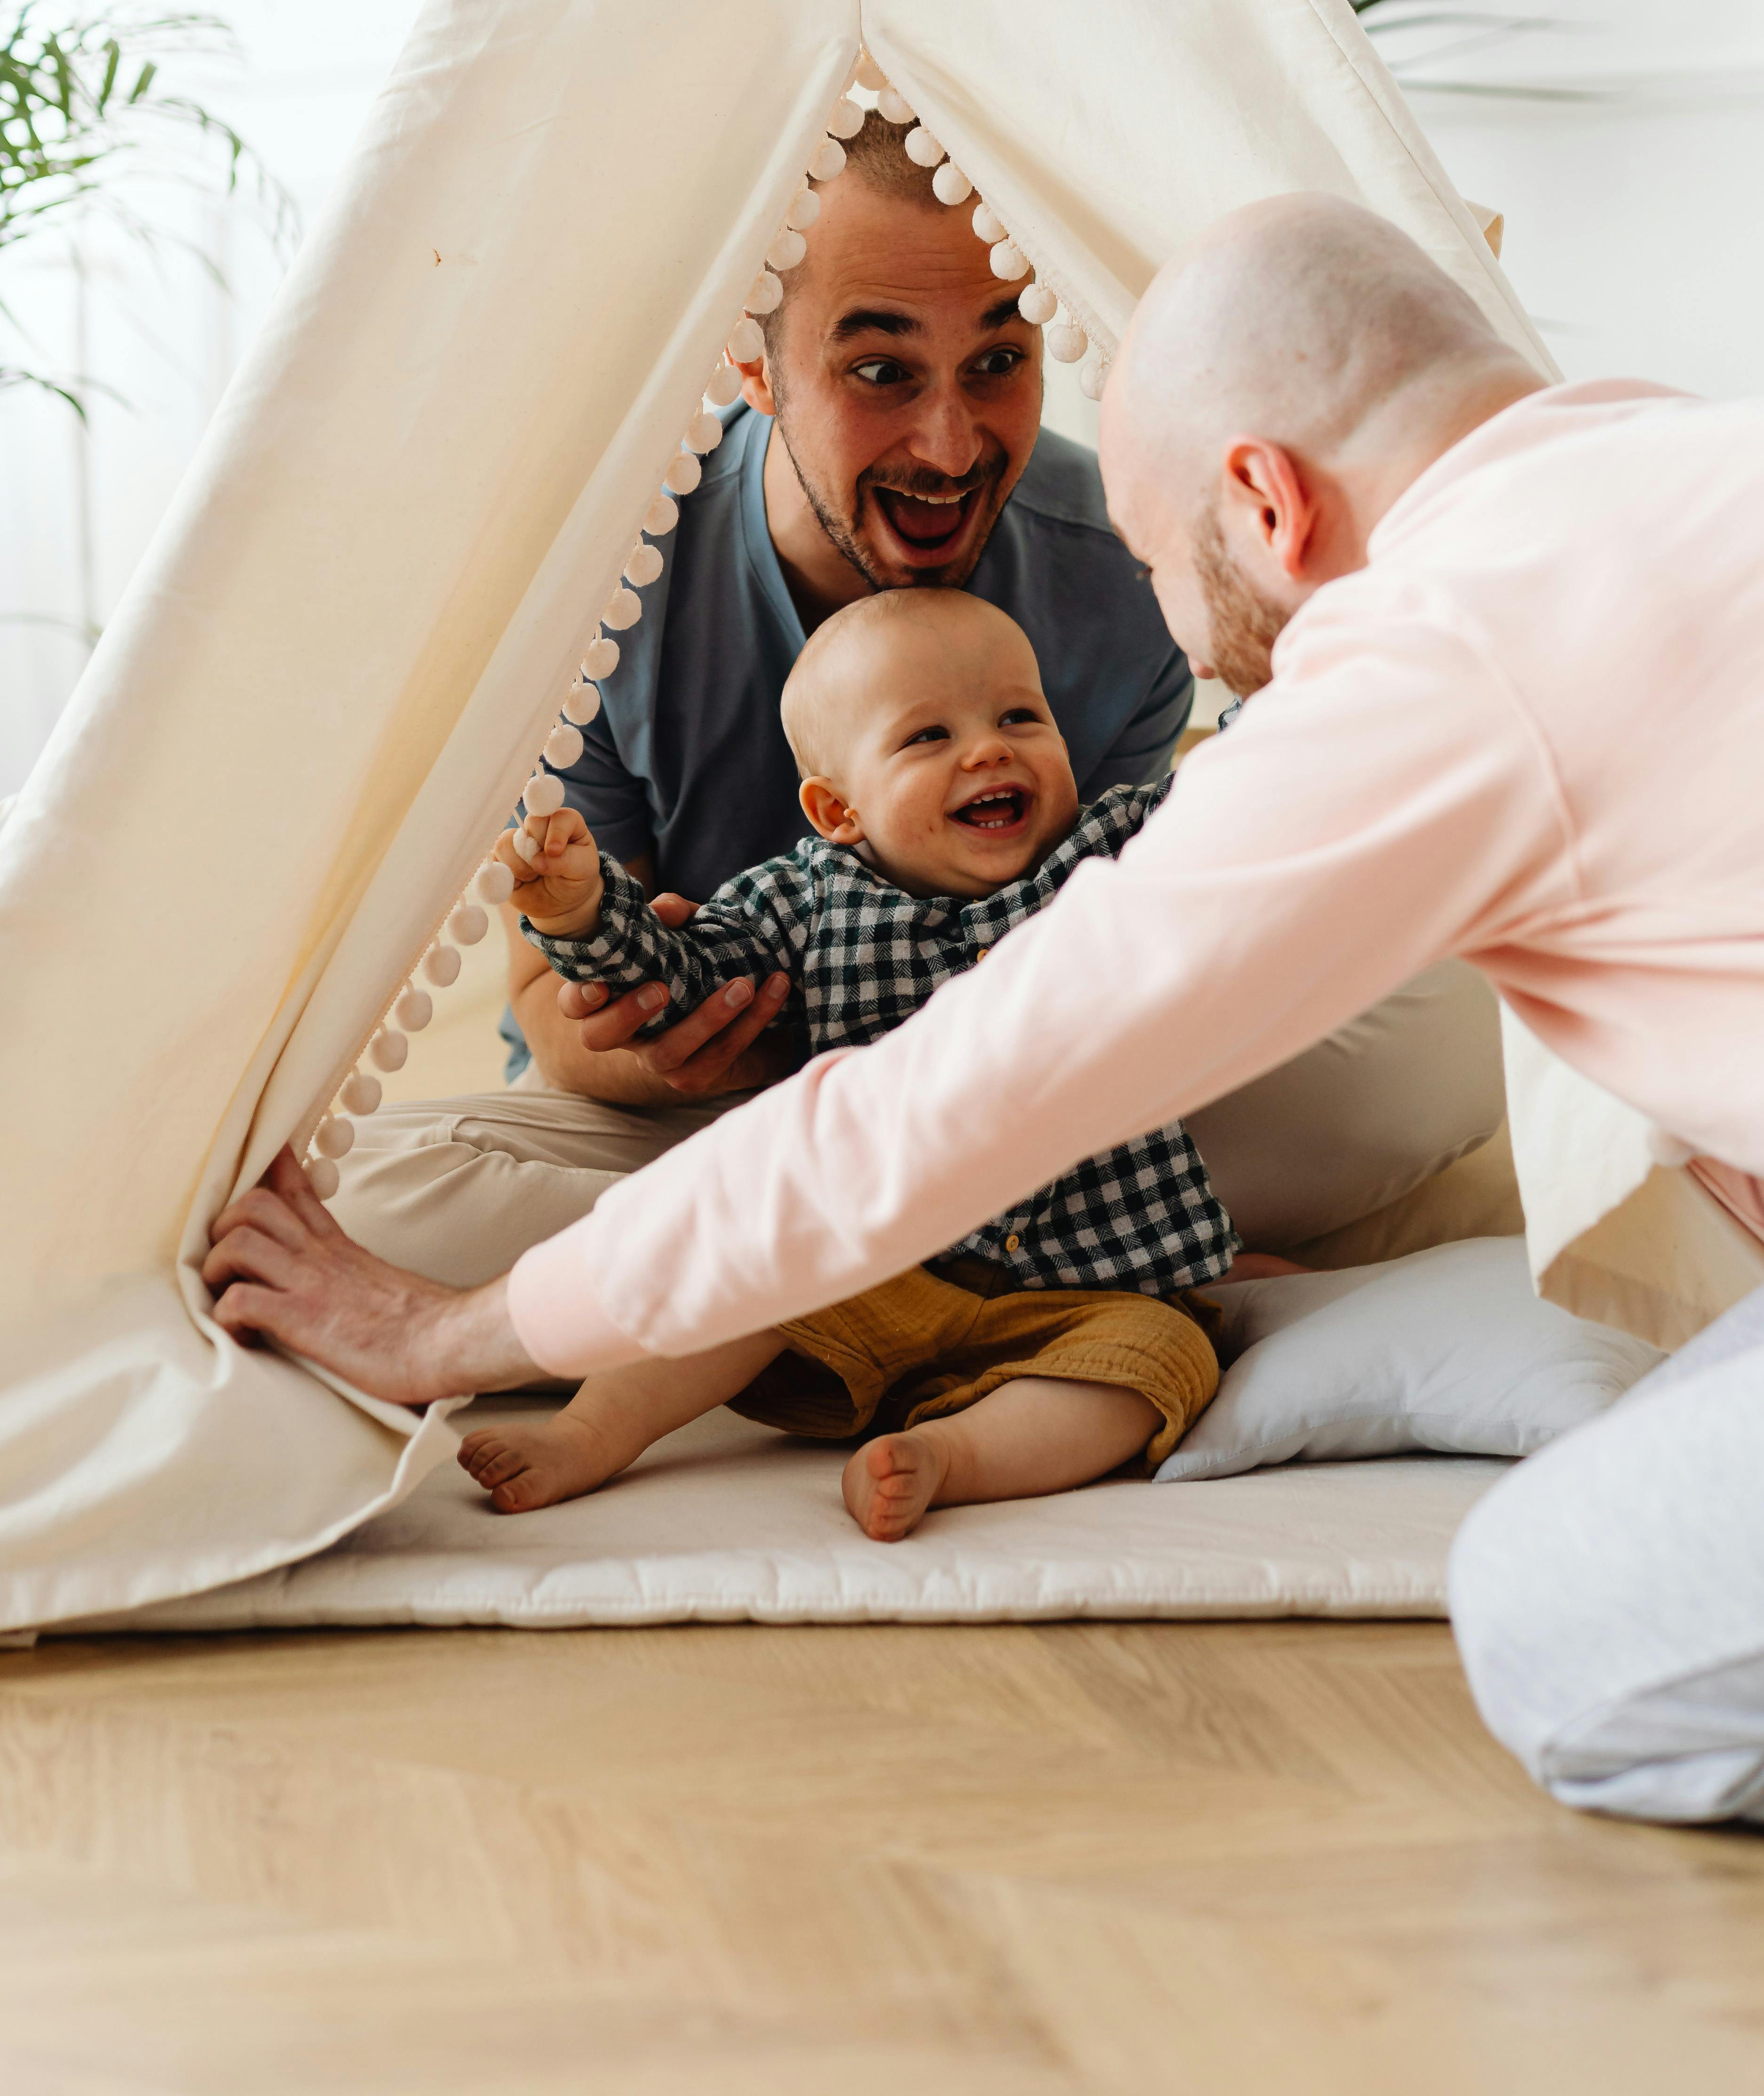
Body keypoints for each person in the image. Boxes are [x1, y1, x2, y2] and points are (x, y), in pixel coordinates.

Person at [212, 187, 1764, 1846]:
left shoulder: (1432, 650)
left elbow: (957, 1097)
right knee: (1726, 1421)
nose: (1181, 645)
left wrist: (451, 1329)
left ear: (1270, 499)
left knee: (1554, 1620)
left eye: (1183, 579)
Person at [327, 110, 1507, 1289]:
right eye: (879, 372)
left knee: (1459, 1023)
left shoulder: (1119, 572)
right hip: (706, 1126)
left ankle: (850, 1283)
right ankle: (867, 1273)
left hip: (1024, 1113)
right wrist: (669, 1055)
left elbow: (1139, 937)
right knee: (375, 1193)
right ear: (754, 363)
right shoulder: (605, 576)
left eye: (996, 363)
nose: (948, 448)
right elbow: (548, 1004)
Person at [459, 586, 1237, 1535]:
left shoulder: (1112, 849)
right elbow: (683, 983)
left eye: (1019, 717)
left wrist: (1280, 663)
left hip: (1088, 1283)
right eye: (926, 739)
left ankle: (953, 1457)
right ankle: (592, 1433)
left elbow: (1243, 796)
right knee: (734, 1268)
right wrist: (582, 915)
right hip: (870, 1261)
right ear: (837, 810)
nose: (988, 750)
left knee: (1165, 1359)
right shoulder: (803, 900)